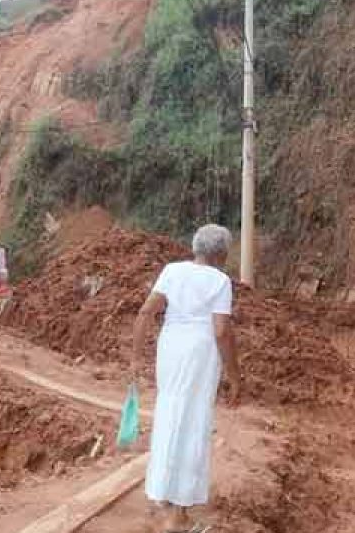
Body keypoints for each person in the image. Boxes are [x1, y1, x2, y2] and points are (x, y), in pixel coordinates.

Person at [131, 223, 241, 533]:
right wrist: (235, 375)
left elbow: (145, 312)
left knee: (169, 413)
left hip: (171, 347)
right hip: (199, 351)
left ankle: (162, 495)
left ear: (195, 247)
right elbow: (221, 330)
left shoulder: (172, 271)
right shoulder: (220, 281)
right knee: (193, 421)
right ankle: (178, 514)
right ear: (221, 253)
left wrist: (136, 356)